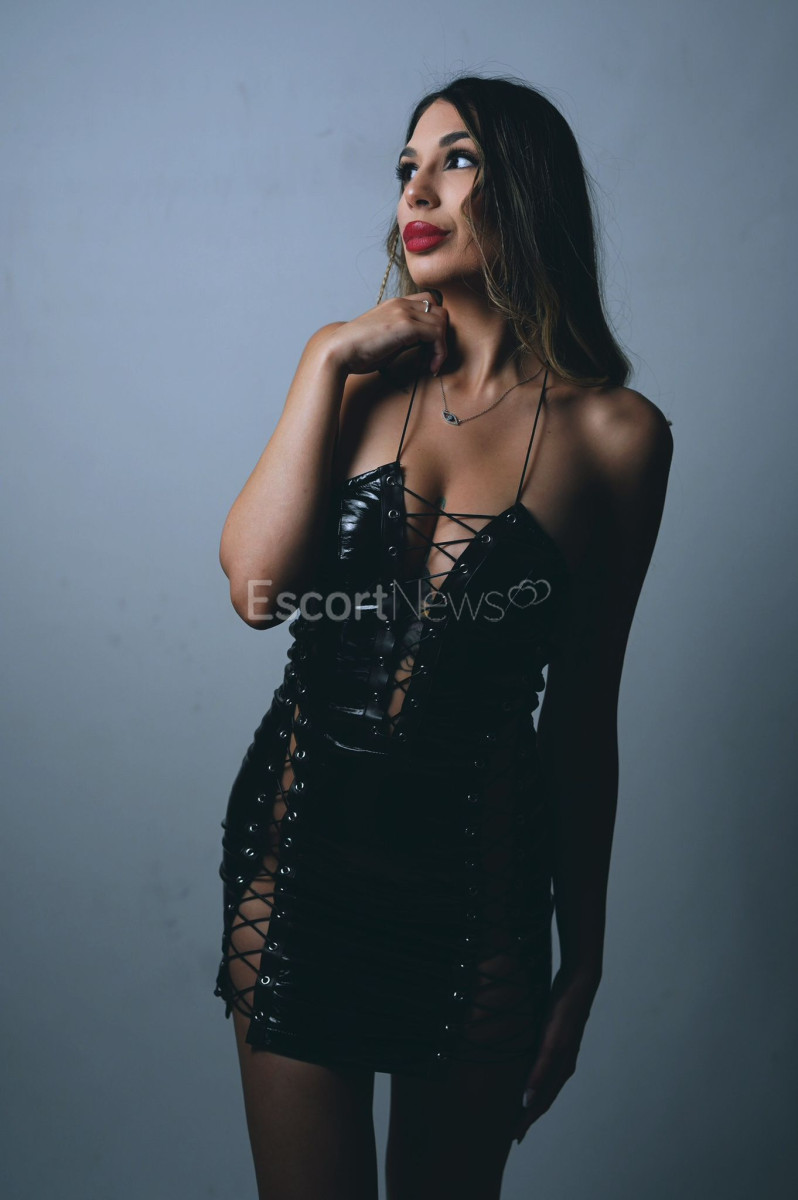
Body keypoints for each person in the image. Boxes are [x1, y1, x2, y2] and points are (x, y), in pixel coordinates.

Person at [212, 73, 673, 1200]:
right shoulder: (356, 385)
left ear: (528, 189)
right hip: (297, 872)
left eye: (456, 160)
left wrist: (585, 957)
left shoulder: (618, 437)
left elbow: (582, 717)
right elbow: (257, 591)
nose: (417, 190)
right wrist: (326, 356)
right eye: (406, 168)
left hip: (479, 896)